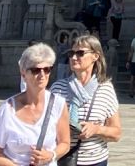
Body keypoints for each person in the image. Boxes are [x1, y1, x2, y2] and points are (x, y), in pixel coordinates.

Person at [0, 43, 71, 166]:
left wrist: (51, 155)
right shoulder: (8, 108)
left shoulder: (58, 104)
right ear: (23, 74)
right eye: (35, 70)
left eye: (47, 69)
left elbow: (65, 143)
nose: (42, 75)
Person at [51, 33, 120, 166]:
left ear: (95, 56)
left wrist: (96, 129)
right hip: (63, 159)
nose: (74, 57)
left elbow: (116, 133)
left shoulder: (105, 89)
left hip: (95, 161)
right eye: (71, 53)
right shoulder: (58, 88)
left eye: (80, 53)